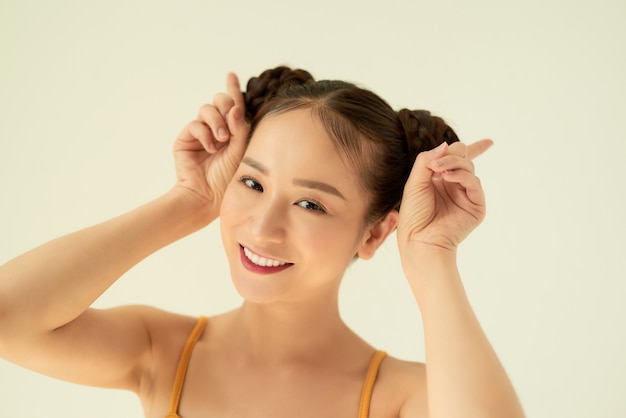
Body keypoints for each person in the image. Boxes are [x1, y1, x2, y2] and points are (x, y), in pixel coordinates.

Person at [0, 66, 524, 418]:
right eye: (251, 183)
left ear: (375, 232)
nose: (261, 228)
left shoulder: (400, 397)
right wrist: (188, 199)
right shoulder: (162, 351)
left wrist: (432, 255)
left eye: (311, 203)